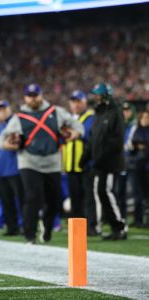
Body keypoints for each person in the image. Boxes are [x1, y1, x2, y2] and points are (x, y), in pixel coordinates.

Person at [0, 84, 84, 244]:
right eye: (30, 96)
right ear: (25, 98)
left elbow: (77, 126)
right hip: (28, 161)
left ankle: (47, 227)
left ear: (41, 95)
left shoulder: (55, 112)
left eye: (35, 95)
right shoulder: (19, 117)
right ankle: (29, 234)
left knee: (53, 200)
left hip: (52, 161)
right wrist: (9, 145)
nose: (33, 99)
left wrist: (75, 133)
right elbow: (2, 139)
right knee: (33, 197)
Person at [80, 83, 127, 240]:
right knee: (102, 193)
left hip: (110, 163)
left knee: (106, 192)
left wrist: (100, 159)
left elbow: (117, 140)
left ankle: (119, 226)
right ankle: (115, 226)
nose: (95, 98)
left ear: (106, 95)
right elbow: (93, 140)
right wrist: (84, 159)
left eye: (98, 95)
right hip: (99, 163)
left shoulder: (115, 112)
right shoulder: (99, 115)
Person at [61, 91, 94, 219]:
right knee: (75, 198)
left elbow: (89, 135)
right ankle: (77, 226)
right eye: (73, 101)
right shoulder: (67, 119)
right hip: (70, 165)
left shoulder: (91, 117)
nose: (75, 104)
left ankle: (92, 225)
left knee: (89, 197)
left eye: (78, 101)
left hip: (86, 165)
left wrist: (75, 133)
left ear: (85, 102)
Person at [0, 100, 23, 236]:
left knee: (22, 200)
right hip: (0, 170)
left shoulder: (16, 124)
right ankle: (12, 228)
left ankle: (24, 226)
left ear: (9, 109)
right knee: (6, 201)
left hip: (15, 169)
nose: (2, 111)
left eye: (4, 108)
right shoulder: (0, 127)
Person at [129, 110, 149, 227]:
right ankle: (138, 219)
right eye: (144, 118)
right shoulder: (136, 130)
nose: (145, 120)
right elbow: (132, 146)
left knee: (146, 195)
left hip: (146, 166)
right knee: (138, 194)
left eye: (147, 118)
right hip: (137, 166)